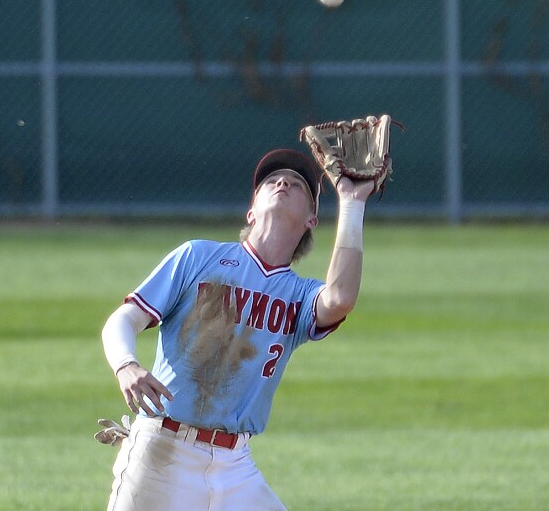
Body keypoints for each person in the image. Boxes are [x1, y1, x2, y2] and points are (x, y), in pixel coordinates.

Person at [100, 148, 375, 510]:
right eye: (271, 181)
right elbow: (124, 318)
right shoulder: (198, 257)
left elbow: (339, 298)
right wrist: (126, 365)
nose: (283, 182)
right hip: (163, 453)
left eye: (297, 185)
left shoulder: (298, 295)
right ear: (251, 211)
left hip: (235, 467)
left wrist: (352, 203)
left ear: (312, 219)